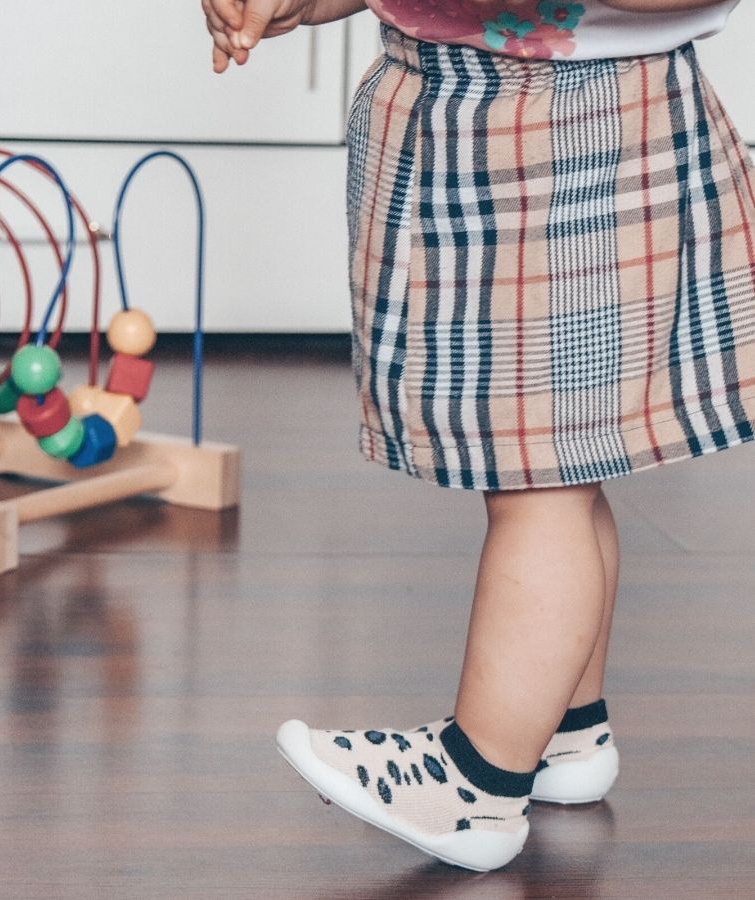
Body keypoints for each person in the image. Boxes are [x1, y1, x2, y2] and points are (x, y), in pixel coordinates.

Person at [202, 0, 752, 872]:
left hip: (570, 130)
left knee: (542, 484)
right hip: (482, 118)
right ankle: (564, 731)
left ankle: (476, 784)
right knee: (551, 469)